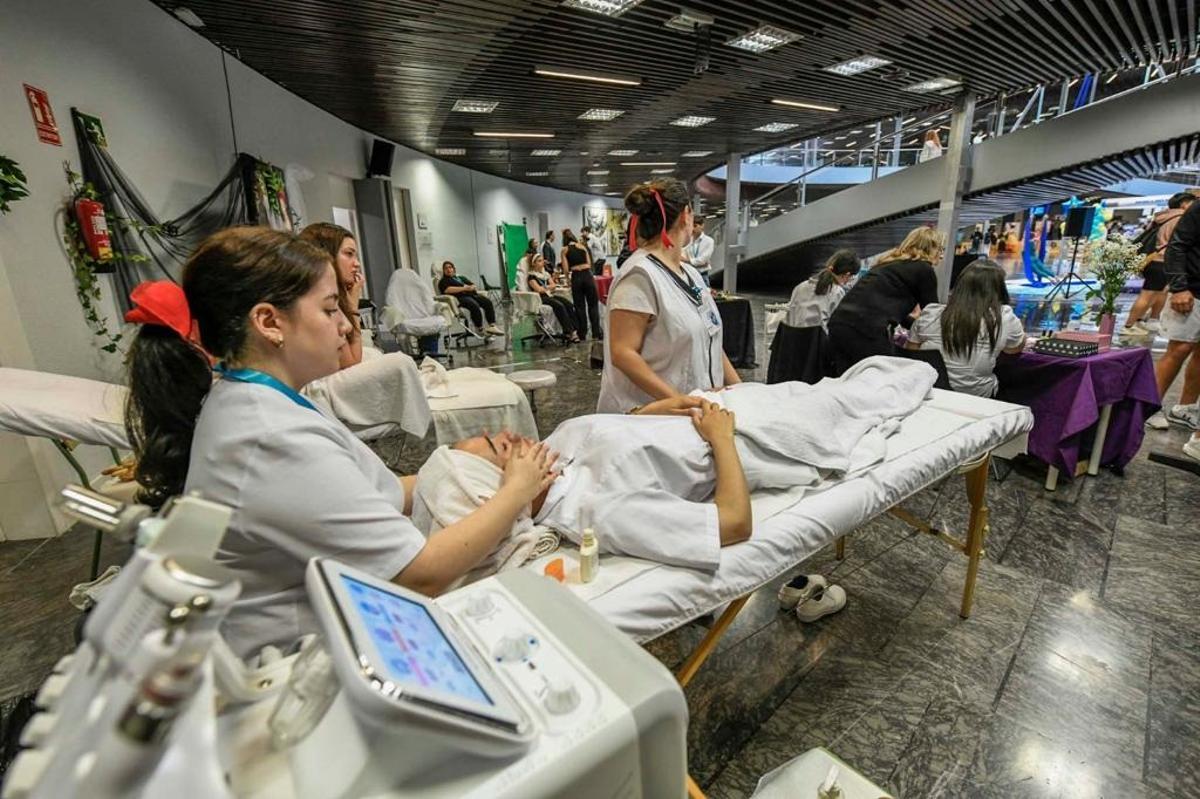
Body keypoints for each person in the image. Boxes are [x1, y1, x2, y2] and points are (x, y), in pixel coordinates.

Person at [122, 227, 557, 658]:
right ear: (269, 322)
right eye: (330, 310)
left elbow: (366, 493)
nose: (346, 325)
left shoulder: (270, 400)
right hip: (302, 658)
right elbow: (420, 574)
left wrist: (461, 458)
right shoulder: (270, 436)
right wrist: (518, 486)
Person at [598, 178, 741, 413]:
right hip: (653, 417)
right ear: (686, 215)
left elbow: (710, 335)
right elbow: (622, 352)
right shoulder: (640, 275)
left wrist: (739, 390)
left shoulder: (691, 274)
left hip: (699, 409)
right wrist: (679, 401)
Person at [827, 226, 941, 374]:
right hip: (865, 331)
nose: (941, 255)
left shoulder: (888, 264)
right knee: (882, 381)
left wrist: (912, 325)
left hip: (839, 324)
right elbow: (932, 315)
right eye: (940, 249)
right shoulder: (924, 269)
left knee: (847, 382)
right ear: (930, 248)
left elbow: (883, 307)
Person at [905, 259, 1026, 397]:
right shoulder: (1004, 318)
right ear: (999, 289)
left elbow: (911, 353)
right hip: (976, 395)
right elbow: (1014, 349)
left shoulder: (931, 313)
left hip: (930, 391)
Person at [1147, 195, 1200, 448]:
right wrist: (1179, 287)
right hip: (1191, 292)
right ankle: (1150, 407)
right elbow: (1177, 246)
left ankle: (1186, 408)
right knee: (1178, 350)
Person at [1125, 192, 1194, 339]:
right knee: (1148, 294)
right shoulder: (1181, 218)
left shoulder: (1163, 216)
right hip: (1161, 260)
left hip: (1154, 260)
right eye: (1191, 203)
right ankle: (1129, 325)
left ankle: (1146, 320)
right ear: (1183, 204)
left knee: (1159, 292)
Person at [298, 222, 364, 369]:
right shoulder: (318, 297)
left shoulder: (331, 294)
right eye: (349, 254)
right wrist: (353, 301)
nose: (357, 264)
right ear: (327, 255)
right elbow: (352, 362)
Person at [786, 248, 859, 330]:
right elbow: (839, 326)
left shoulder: (800, 287)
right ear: (847, 275)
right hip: (818, 341)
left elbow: (789, 319)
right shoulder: (837, 292)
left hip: (792, 340)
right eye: (852, 277)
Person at [526, 253, 580, 343]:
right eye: (539, 261)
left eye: (542, 260)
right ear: (533, 263)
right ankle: (569, 332)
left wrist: (547, 287)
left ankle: (575, 329)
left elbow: (553, 285)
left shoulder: (545, 274)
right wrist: (548, 287)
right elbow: (539, 290)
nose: (542, 262)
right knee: (560, 306)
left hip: (549, 295)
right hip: (540, 298)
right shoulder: (531, 277)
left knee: (568, 304)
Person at [438, 261, 502, 336]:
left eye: (450, 267)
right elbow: (447, 290)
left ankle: (492, 326)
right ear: (443, 271)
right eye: (446, 268)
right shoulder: (443, 281)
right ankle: (479, 328)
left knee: (487, 302)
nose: (448, 269)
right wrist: (464, 288)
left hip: (471, 295)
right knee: (474, 305)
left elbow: (472, 285)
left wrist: (472, 287)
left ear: (453, 269)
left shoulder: (460, 277)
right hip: (459, 298)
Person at [561, 229, 602, 341]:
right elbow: (589, 263)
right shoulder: (583, 247)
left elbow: (565, 268)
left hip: (576, 276)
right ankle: (596, 332)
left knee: (580, 306)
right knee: (593, 305)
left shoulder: (564, 250)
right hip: (587, 275)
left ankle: (582, 333)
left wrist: (567, 279)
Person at [681, 214, 715, 285]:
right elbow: (680, 255)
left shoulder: (709, 241)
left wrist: (687, 260)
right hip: (689, 274)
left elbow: (703, 260)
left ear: (702, 225)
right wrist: (697, 263)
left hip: (702, 276)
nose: (693, 229)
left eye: (695, 226)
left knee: (705, 295)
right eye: (691, 226)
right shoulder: (688, 240)